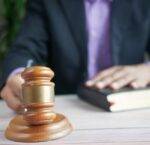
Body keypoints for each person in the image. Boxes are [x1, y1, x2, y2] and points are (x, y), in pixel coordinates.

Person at [0, 0, 150, 111]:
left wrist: (147, 70)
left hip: (129, 106)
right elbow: (26, 47)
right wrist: (18, 75)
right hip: (66, 107)